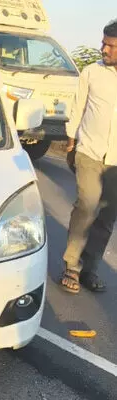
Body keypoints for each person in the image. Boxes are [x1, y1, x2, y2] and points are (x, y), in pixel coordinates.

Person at [61, 19, 117, 294]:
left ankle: (90, 269)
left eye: (111, 46)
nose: (104, 49)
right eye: (104, 43)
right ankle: (72, 266)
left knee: (107, 218)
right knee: (86, 205)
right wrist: (71, 144)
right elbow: (78, 108)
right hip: (89, 152)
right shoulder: (91, 72)